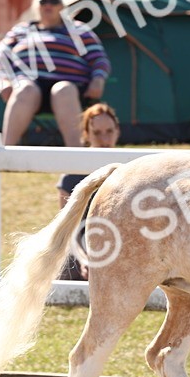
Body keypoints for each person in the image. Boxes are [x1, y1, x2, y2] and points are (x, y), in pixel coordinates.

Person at [0, 0, 111, 147]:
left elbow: (99, 59)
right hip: (29, 86)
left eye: (54, 1)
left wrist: (98, 79)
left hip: (70, 87)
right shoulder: (20, 30)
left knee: (63, 90)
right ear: (36, 6)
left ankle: (77, 156)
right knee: (24, 89)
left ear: (62, 6)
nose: (48, 5)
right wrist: (4, 81)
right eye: (43, 1)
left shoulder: (79, 30)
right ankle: (5, 152)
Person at [56, 102, 121, 281]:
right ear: (86, 134)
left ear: (117, 131)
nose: (104, 140)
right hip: (81, 248)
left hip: (121, 246)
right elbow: (68, 230)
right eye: (97, 133)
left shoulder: (131, 169)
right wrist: (84, 259)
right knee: (64, 269)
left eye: (109, 131)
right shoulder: (72, 175)